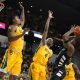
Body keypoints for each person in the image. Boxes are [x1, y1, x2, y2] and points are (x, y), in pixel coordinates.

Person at [0, 2, 29, 80]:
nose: (19, 19)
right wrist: (22, 34)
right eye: (17, 18)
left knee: (15, 76)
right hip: (11, 52)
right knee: (3, 72)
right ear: (13, 20)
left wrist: (23, 9)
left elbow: (23, 20)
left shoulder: (19, 27)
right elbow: (10, 38)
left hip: (19, 54)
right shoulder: (12, 27)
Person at [28, 10, 54, 80]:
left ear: (52, 44)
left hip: (43, 68)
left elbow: (46, 62)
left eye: (51, 39)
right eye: (48, 38)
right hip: (36, 66)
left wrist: (48, 71)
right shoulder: (43, 44)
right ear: (45, 40)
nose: (50, 39)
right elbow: (46, 30)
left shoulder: (51, 52)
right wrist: (49, 18)